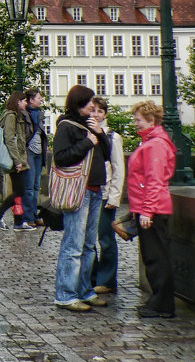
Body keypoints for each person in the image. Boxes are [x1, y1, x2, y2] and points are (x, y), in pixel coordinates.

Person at [52, 84, 108, 313]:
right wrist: (88, 142)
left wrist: (100, 134)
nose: (93, 109)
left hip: (95, 189)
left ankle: (85, 290)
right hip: (78, 189)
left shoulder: (90, 126)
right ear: (78, 104)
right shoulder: (66, 126)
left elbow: (104, 154)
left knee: (88, 245)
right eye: (89, 105)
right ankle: (65, 294)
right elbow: (61, 157)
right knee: (73, 244)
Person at [127, 100, 177, 319]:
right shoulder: (152, 141)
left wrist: (147, 211)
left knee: (156, 256)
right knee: (153, 255)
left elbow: (154, 180)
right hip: (151, 207)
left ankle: (162, 304)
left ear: (150, 120)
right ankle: (158, 301)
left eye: (138, 119)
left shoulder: (155, 144)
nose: (136, 123)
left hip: (153, 210)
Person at [89, 97, 124, 294]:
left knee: (106, 238)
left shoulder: (112, 137)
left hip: (105, 194)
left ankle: (107, 280)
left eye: (100, 111)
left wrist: (114, 197)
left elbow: (119, 169)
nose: (95, 114)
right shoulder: (85, 133)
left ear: (105, 115)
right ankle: (92, 276)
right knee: (88, 239)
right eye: (93, 110)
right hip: (89, 193)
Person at [0, 91, 34, 231]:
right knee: (19, 191)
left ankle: (18, 221)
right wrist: (17, 161)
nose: (26, 103)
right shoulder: (11, 116)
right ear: (18, 101)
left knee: (18, 192)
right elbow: (9, 139)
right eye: (24, 101)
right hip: (15, 160)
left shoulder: (16, 115)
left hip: (17, 159)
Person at [24, 88, 50, 224]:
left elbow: (40, 133)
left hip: (39, 152)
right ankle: (28, 217)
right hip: (29, 152)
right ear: (31, 100)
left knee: (35, 186)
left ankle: (34, 215)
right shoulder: (24, 113)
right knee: (29, 186)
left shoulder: (39, 113)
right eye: (39, 97)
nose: (41, 99)